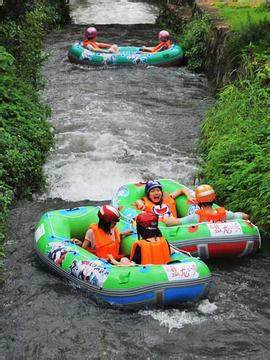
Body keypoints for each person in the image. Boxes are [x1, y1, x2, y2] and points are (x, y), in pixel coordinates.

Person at [163, 184, 249, 226]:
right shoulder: (225, 214)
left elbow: (171, 222)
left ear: (197, 201)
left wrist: (166, 215)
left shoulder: (195, 217)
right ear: (213, 199)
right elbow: (245, 216)